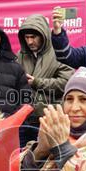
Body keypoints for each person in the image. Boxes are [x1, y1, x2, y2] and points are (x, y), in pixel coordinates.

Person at [16, 13, 73, 143]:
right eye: (26, 37)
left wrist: (37, 82)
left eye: (33, 37)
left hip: (49, 120)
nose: (30, 41)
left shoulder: (58, 53)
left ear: (43, 35)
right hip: (23, 121)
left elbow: (67, 83)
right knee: (21, 159)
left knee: (46, 161)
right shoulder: (19, 55)